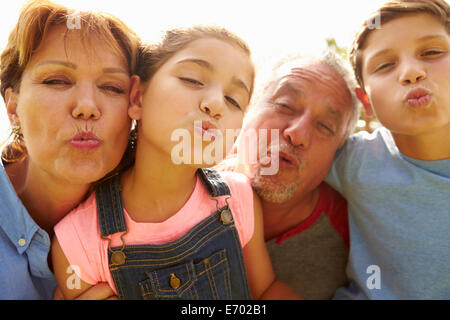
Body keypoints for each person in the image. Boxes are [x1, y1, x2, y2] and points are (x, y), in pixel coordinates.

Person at [51, 25, 300, 300]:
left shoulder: (237, 198)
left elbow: (265, 290)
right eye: (193, 80)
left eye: (233, 99)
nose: (215, 104)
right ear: (137, 97)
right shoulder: (77, 243)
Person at [0, 0, 141, 299]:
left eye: (113, 87)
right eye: (57, 81)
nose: (87, 107)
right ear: (13, 105)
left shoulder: (158, 222)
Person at [325, 0, 450, 299]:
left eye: (432, 52)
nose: (411, 72)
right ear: (365, 101)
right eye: (384, 65)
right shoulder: (350, 160)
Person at [218, 50, 360, 299]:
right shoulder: (185, 182)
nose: (298, 134)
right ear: (247, 109)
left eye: (325, 126)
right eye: (285, 105)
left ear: (336, 154)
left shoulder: (357, 235)